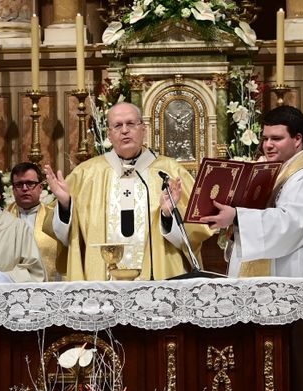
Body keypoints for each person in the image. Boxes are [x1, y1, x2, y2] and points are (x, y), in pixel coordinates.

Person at [202, 105, 303, 391]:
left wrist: (238, 216)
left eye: (276, 138)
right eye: (265, 138)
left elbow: (288, 225)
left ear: (298, 139)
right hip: (279, 298)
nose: (268, 145)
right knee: (279, 386)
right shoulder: (276, 173)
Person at [43, 102, 211, 280]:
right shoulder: (86, 175)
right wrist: (65, 206)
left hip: (157, 281)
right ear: (109, 134)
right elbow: (62, 236)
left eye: (131, 124)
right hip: (102, 282)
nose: (124, 130)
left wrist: (168, 216)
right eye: (117, 125)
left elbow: (196, 232)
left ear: (143, 129)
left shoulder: (169, 172)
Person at [7, 162, 64, 281]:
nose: (24, 189)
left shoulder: (55, 217)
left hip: (48, 287)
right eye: (19, 184)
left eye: (30, 183)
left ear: (40, 188)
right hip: (10, 287)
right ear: (13, 189)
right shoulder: (2, 219)